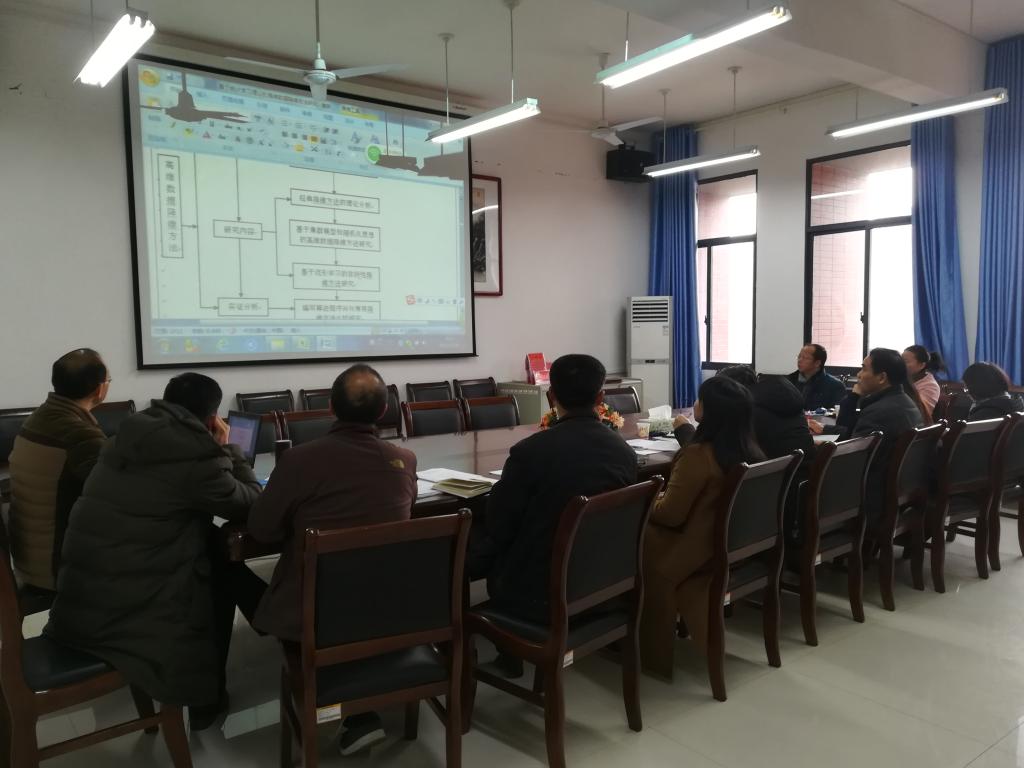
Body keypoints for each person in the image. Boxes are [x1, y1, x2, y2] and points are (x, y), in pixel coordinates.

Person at [45, 373, 262, 731]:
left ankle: (270, 614)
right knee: (216, 568)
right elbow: (250, 504)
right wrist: (229, 449)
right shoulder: (194, 454)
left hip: (83, 595)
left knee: (214, 546)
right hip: (130, 606)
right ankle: (207, 697)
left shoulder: (127, 435)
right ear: (212, 419)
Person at [248, 364, 417, 756]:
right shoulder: (404, 460)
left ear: (330, 407)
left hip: (314, 614)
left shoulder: (298, 460)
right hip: (391, 607)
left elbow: (262, 530)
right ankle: (360, 706)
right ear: (384, 412)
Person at [475, 354, 637, 622]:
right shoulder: (624, 453)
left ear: (551, 397)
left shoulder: (530, 452)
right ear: (601, 398)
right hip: (605, 581)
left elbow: (499, 525)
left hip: (539, 592)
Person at [640, 376, 766, 679]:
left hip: (687, 550)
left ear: (709, 411)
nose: (694, 404)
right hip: (725, 543)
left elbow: (670, 515)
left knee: (623, 536)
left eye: (699, 400)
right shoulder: (749, 449)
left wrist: (647, 499)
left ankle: (631, 639)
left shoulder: (698, 455)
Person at [8, 349, 109, 599]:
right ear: (100, 389)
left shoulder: (39, 418)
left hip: (26, 558)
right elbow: (117, 497)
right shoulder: (81, 435)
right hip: (57, 567)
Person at [809, 348, 925, 527]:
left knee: (804, 480)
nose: (859, 374)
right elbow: (857, 436)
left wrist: (822, 449)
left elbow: (852, 460)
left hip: (870, 500)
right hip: (899, 491)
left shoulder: (879, 412)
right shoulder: (904, 402)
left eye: (863, 368)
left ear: (882, 377)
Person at [788, 343, 847, 411]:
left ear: (817, 363)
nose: (800, 360)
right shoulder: (788, 381)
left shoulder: (835, 386)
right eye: (799, 356)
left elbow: (837, 413)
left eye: (805, 358)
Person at [902, 345, 944, 418]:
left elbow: (919, 414)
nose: (901, 365)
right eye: (900, 361)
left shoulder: (931, 386)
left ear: (922, 365)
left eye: (906, 361)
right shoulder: (904, 380)